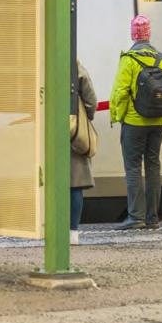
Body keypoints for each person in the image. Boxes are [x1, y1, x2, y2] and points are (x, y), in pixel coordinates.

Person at [109, 15, 162, 230]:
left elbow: (120, 91)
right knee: (153, 166)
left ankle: (135, 217)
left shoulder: (129, 59)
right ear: (149, 34)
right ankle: (153, 218)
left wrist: (116, 115)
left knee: (132, 168)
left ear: (133, 35)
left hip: (134, 122)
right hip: (158, 123)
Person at [70, 61, 97, 245]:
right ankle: (72, 232)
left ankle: (47, 228)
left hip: (46, 129)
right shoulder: (74, 63)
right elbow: (90, 99)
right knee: (75, 184)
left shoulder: (40, 61)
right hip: (73, 128)